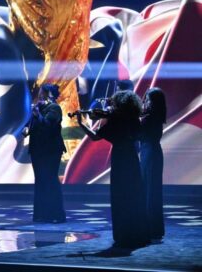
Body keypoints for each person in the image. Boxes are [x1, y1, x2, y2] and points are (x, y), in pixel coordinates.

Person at [76, 90, 149, 248]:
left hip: (120, 158)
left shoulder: (115, 121)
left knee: (120, 195)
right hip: (131, 157)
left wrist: (81, 123)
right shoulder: (134, 119)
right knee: (134, 194)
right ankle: (138, 233)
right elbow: (139, 135)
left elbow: (95, 136)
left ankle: (123, 234)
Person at [24, 83, 66, 223]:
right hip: (37, 149)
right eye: (39, 92)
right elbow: (30, 126)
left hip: (50, 150)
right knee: (40, 180)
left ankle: (56, 215)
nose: (39, 95)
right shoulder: (38, 108)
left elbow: (48, 125)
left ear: (49, 93)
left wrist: (38, 114)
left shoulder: (54, 108)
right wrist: (27, 128)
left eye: (42, 92)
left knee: (50, 179)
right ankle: (41, 214)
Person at [139, 87, 166, 242]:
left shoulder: (150, 118)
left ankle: (151, 228)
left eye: (148, 100)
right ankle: (154, 228)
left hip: (150, 154)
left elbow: (138, 134)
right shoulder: (154, 116)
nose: (146, 103)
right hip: (150, 153)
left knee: (150, 191)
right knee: (151, 191)